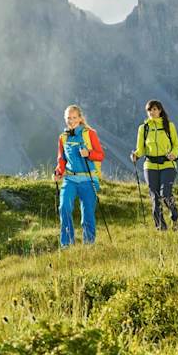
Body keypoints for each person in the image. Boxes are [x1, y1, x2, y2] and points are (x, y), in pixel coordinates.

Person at [54, 104, 105, 247]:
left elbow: (100, 155)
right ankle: (67, 245)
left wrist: (89, 154)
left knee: (87, 214)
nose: (71, 121)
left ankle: (89, 245)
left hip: (88, 179)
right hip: (70, 179)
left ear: (80, 118)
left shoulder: (90, 134)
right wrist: (58, 172)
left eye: (74, 117)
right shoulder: (63, 137)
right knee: (64, 208)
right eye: (68, 118)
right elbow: (62, 160)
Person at [130, 99, 178, 231]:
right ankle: (161, 229)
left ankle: (175, 217)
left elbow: (176, 145)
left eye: (154, 109)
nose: (152, 112)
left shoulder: (169, 126)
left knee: (166, 194)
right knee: (155, 197)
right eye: (149, 110)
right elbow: (141, 149)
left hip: (168, 164)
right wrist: (136, 155)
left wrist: (174, 154)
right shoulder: (143, 128)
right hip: (150, 165)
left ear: (160, 110)